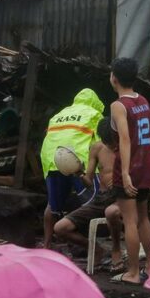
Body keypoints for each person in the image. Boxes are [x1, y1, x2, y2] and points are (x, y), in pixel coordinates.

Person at [109, 58, 150, 285]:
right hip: (147, 165)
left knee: (130, 220)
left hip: (130, 166)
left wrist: (126, 172)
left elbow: (125, 139)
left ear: (114, 78)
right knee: (144, 218)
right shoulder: (144, 100)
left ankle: (133, 272)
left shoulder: (118, 105)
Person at [40, 89, 105, 248]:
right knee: (91, 205)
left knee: (52, 205)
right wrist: (100, 172)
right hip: (79, 161)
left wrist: (47, 168)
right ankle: (92, 247)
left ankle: (46, 245)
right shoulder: (94, 114)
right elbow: (100, 145)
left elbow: (47, 142)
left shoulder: (58, 115)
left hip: (53, 160)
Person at [54, 119, 122, 266]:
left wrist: (121, 180)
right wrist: (78, 172)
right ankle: (97, 249)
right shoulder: (97, 148)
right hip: (101, 199)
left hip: (121, 198)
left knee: (113, 213)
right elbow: (89, 182)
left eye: (112, 140)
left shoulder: (126, 147)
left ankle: (116, 250)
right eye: (107, 141)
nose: (111, 145)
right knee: (60, 228)